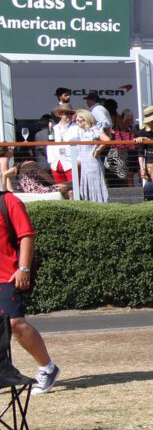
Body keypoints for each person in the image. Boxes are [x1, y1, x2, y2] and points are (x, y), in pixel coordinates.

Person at [0, 189, 58, 392]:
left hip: (6, 276)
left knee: (16, 324)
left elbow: (26, 235)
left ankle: (47, 368)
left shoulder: (8, 201)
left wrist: (23, 268)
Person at [72, 109, 110, 202]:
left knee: (96, 186)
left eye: (78, 120)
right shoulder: (81, 131)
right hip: (85, 164)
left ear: (85, 120)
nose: (76, 122)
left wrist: (98, 150)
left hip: (93, 163)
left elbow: (107, 140)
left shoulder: (94, 130)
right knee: (86, 186)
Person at [3, 160, 69, 198]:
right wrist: (54, 183)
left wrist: (5, 190)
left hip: (34, 192)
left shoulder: (21, 173)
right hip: (39, 192)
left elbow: (4, 175)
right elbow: (46, 177)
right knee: (67, 185)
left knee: (66, 189)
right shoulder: (31, 165)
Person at [49, 106, 79, 185]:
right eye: (67, 114)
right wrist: (51, 160)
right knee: (61, 188)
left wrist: (79, 160)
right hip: (56, 162)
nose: (69, 115)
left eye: (71, 114)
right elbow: (50, 145)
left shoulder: (76, 127)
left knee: (74, 187)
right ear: (60, 115)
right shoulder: (54, 128)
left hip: (71, 162)